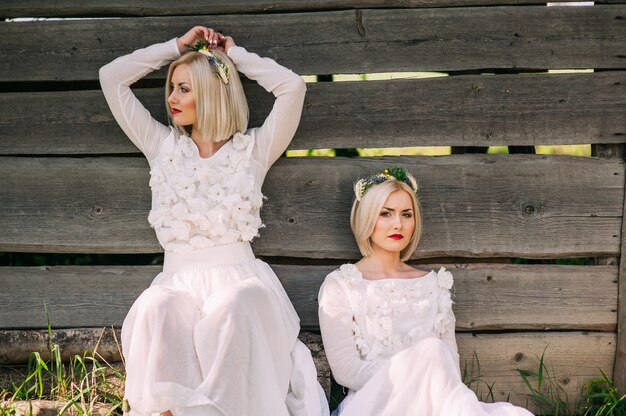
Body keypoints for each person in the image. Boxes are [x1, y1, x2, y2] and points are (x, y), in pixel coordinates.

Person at [100, 26, 328, 416]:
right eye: (172, 87)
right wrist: (175, 48)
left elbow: (292, 88)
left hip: (239, 280)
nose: (171, 98)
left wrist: (234, 57)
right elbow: (112, 77)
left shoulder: (254, 150)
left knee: (238, 304)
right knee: (158, 305)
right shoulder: (162, 147)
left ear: (211, 90)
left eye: (184, 88)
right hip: (178, 281)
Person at [318, 167, 534, 416]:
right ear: (367, 217)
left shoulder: (434, 285)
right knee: (431, 350)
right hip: (376, 401)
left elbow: (449, 363)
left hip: (437, 400)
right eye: (386, 213)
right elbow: (346, 369)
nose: (398, 223)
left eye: (406, 214)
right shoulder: (341, 284)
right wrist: (412, 376)